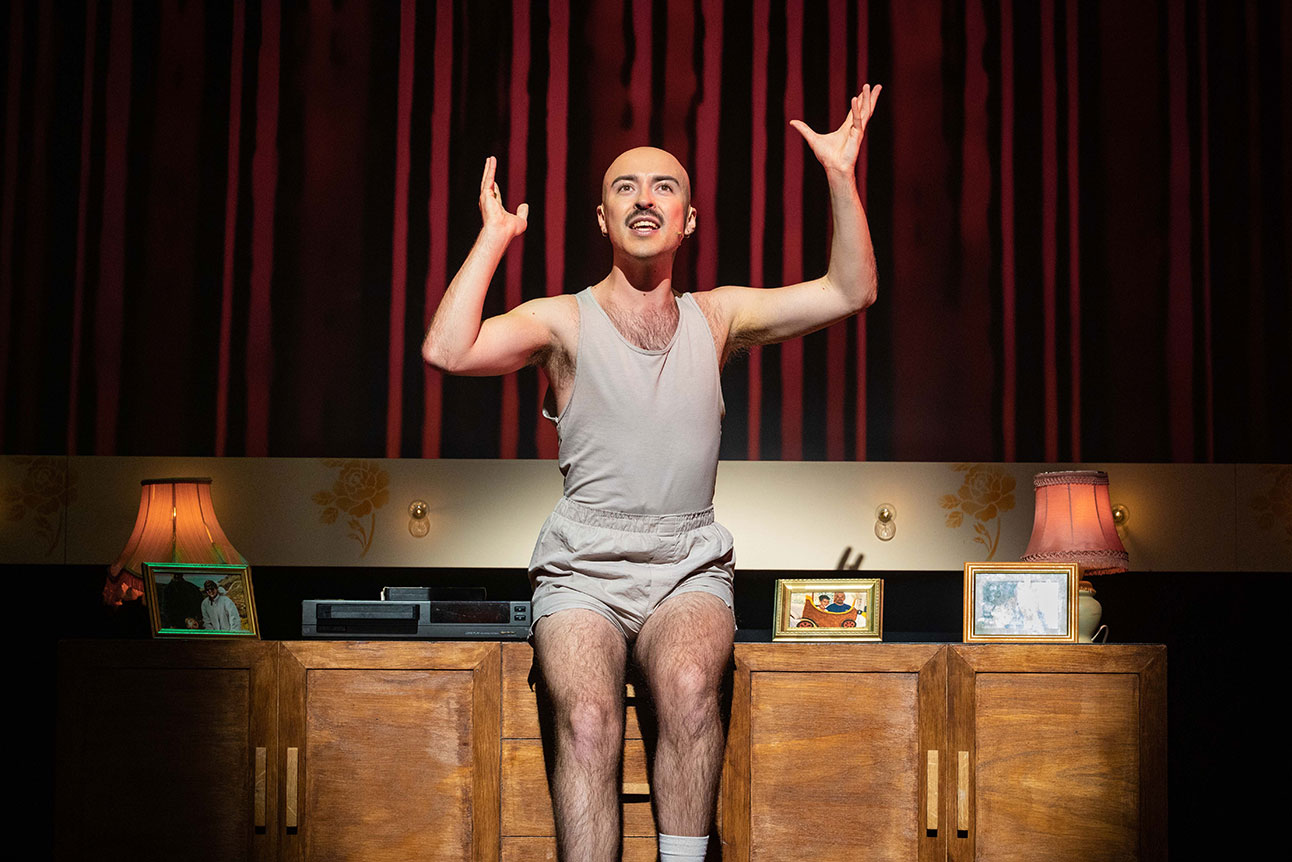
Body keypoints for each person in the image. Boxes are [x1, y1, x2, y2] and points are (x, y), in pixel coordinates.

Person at [423, 85, 881, 862]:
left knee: (694, 689)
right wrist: (496, 236)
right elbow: (448, 349)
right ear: (601, 219)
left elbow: (851, 290)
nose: (645, 199)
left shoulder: (719, 315)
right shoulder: (560, 320)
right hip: (581, 568)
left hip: (687, 562)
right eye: (624, 188)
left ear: (689, 220)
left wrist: (840, 173)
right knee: (589, 720)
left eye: (665, 186)